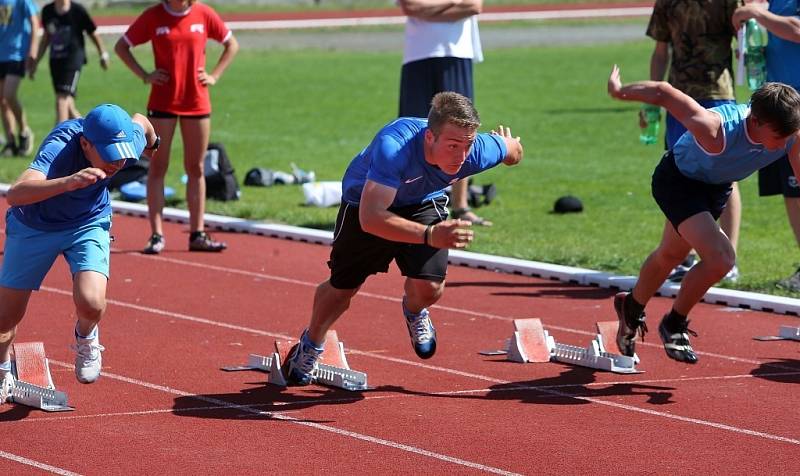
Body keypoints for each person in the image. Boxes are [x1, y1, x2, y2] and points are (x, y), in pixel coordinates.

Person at [283, 92, 523, 385]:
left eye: (467, 145)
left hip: (423, 202)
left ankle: (414, 309)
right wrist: (430, 235)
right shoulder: (394, 147)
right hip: (365, 204)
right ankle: (310, 345)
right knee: (342, 288)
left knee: (431, 288)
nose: (461, 157)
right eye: (452, 146)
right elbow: (371, 218)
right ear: (429, 138)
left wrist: (509, 152)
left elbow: (513, 149)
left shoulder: (477, 150)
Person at [607, 65, 800, 364]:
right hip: (678, 182)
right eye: (779, 136)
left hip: (714, 188)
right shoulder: (715, 128)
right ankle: (674, 323)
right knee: (722, 258)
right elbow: (664, 92)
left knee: (670, 254)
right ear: (756, 120)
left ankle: (631, 307)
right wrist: (620, 91)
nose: (784, 142)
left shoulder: (790, 133)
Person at [0, 104, 159, 399]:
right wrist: (68, 183)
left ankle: (86, 336)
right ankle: (2, 373)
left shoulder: (126, 142)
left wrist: (154, 143)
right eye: (111, 154)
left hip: (88, 222)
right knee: (5, 318)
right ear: (85, 144)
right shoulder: (60, 146)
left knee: (92, 302)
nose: (119, 162)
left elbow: (142, 122)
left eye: (123, 152)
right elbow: (16, 194)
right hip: (34, 224)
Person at [114, 0, 239, 254]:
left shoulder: (203, 13)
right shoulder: (153, 16)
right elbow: (122, 46)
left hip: (196, 102)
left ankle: (197, 233)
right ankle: (156, 235)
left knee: (195, 167)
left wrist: (214, 75)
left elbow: (231, 44)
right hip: (162, 103)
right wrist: (145, 75)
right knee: (158, 166)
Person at [645, 0, 742, 283]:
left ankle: (729, 256)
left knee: (726, 174)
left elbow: (747, 41)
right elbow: (660, 51)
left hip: (717, 93)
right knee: (679, 172)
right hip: (678, 96)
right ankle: (683, 254)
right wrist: (653, 100)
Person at [397, 0, 492, 226]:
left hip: (457, 52)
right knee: (413, 130)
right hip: (418, 55)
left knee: (462, 127)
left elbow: (473, 6)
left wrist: (430, 9)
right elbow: (412, 7)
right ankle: (410, 202)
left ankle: (460, 206)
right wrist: (452, 3)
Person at [733, 2, 800, 290]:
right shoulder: (770, 0)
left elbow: (797, 30)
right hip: (778, 109)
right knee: (792, 192)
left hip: (796, 106)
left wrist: (758, 15)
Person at [34, 0, 110, 125]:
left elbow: (92, 32)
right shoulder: (47, 11)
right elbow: (46, 38)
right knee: (68, 105)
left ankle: (60, 139)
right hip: (55, 60)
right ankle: (89, 134)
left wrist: (103, 54)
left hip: (73, 60)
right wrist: (35, 62)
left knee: (61, 100)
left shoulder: (78, 10)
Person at [0, 0, 40, 157]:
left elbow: (34, 23)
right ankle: (10, 143)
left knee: (9, 95)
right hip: (1, 55)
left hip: (16, 54)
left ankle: (24, 131)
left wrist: (33, 49)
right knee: (2, 101)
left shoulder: (22, 1)